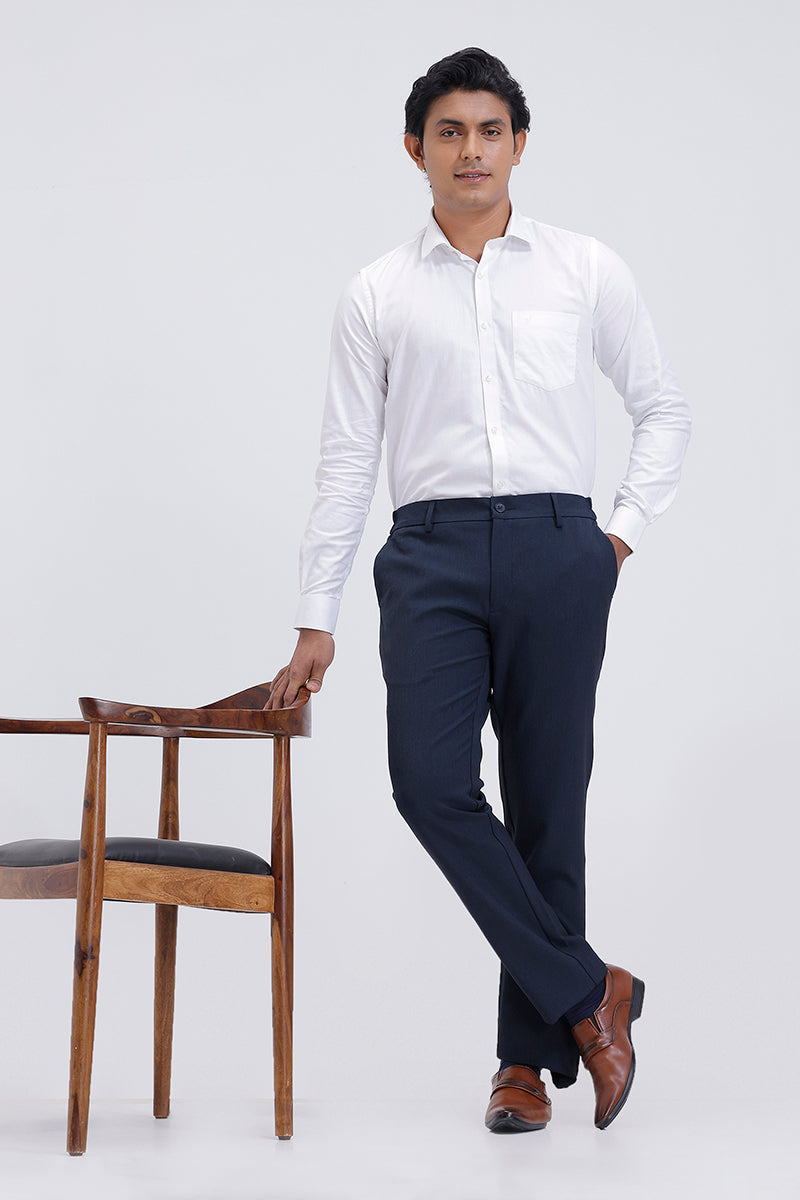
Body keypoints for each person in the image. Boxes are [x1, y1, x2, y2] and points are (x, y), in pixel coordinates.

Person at [267, 47, 690, 1134]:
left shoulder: (583, 269)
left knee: (549, 805)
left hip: (559, 548)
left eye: (488, 129)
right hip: (432, 555)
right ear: (415, 150)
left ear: (516, 144)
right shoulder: (377, 290)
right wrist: (316, 614)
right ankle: (589, 994)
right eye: (448, 131)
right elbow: (345, 460)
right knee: (429, 784)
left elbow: (662, 409)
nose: (470, 149)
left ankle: (520, 1064)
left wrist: (614, 542)